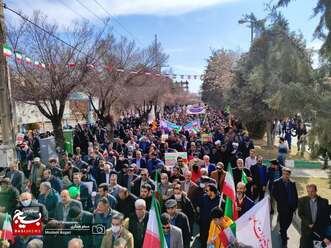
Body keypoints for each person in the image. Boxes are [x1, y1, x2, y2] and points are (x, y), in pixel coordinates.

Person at [272, 168, 298, 247]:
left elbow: (295, 195)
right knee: (283, 223)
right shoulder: (277, 182)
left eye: (287, 174)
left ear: (289, 175)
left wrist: (296, 205)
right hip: (282, 207)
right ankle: (284, 241)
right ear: (282, 174)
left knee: (289, 222)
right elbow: (274, 194)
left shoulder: (292, 183)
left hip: (291, 207)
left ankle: (283, 231)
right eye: (284, 174)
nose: (285, 176)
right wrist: (280, 201)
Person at [197, 184, 220, 248]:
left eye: (207, 190)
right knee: (203, 240)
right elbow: (198, 206)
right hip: (203, 224)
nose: (206, 191)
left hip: (213, 225)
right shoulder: (204, 197)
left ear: (212, 192)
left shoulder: (220, 201)